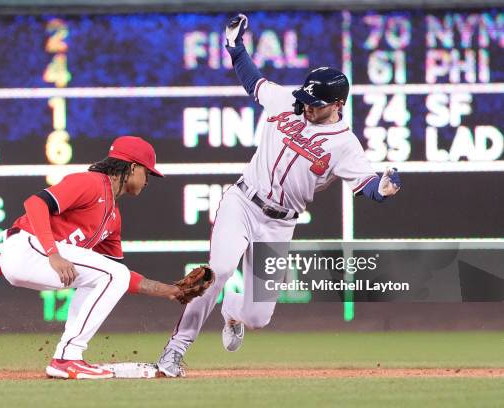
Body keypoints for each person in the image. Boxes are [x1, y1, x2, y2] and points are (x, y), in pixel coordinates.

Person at [156, 14, 402, 377]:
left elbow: (367, 186)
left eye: (315, 103)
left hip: (278, 225)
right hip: (242, 202)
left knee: (258, 317)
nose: (306, 105)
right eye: (306, 98)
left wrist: (382, 190)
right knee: (218, 271)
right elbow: (252, 80)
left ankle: (233, 312)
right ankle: (174, 352)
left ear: (338, 105)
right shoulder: (287, 101)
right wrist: (234, 46)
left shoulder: (346, 146)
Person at [0, 136, 184, 380]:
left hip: (36, 258)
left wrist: (169, 291)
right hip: (26, 247)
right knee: (112, 274)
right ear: (133, 167)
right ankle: (66, 359)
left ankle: (68, 356)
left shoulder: (113, 218)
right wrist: (53, 253)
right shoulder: (91, 182)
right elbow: (35, 203)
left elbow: (116, 277)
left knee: (105, 277)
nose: (148, 181)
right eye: (148, 173)